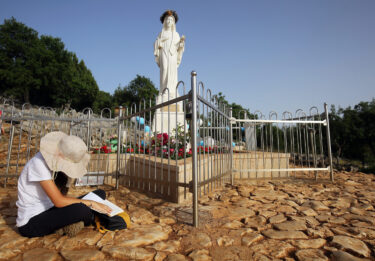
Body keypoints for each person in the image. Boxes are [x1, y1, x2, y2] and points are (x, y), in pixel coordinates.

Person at [16, 131, 112, 238]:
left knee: (100, 194)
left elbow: (62, 196)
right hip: (32, 222)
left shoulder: (55, 166)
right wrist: (91, 203)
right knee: (82, 209)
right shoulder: (38, 164)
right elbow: (59, 201)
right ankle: (82, 218)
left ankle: (71, 222)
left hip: (51, 209)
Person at [154, 10, 185, 102]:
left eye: (171, 20)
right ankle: (163, 91)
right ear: (164, 21)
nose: (169, 21)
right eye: (167, 19)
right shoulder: (161, 33)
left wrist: (181, 45)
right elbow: (156, 43)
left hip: (173, 55)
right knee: (164, 71)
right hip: (164, 52)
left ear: (173, 22)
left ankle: (172, 92)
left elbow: (179, 48)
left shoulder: (176, 34)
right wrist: (160, 41)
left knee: (172, 72)